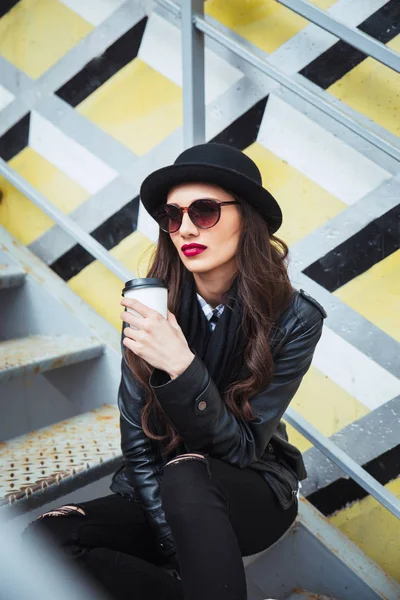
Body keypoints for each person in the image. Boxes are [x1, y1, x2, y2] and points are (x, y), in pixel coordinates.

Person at [23, 143, 326, 600]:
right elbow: (138, 445)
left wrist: (180, 366)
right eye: (173, 215)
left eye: (204, 212)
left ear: (247, 219)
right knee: (48, 540)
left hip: (251, 491)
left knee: (187, 473)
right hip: (162, 492)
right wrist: (172, 540)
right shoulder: (149, 307)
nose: (185, 228)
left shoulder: (295, 319)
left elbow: (242, 449)